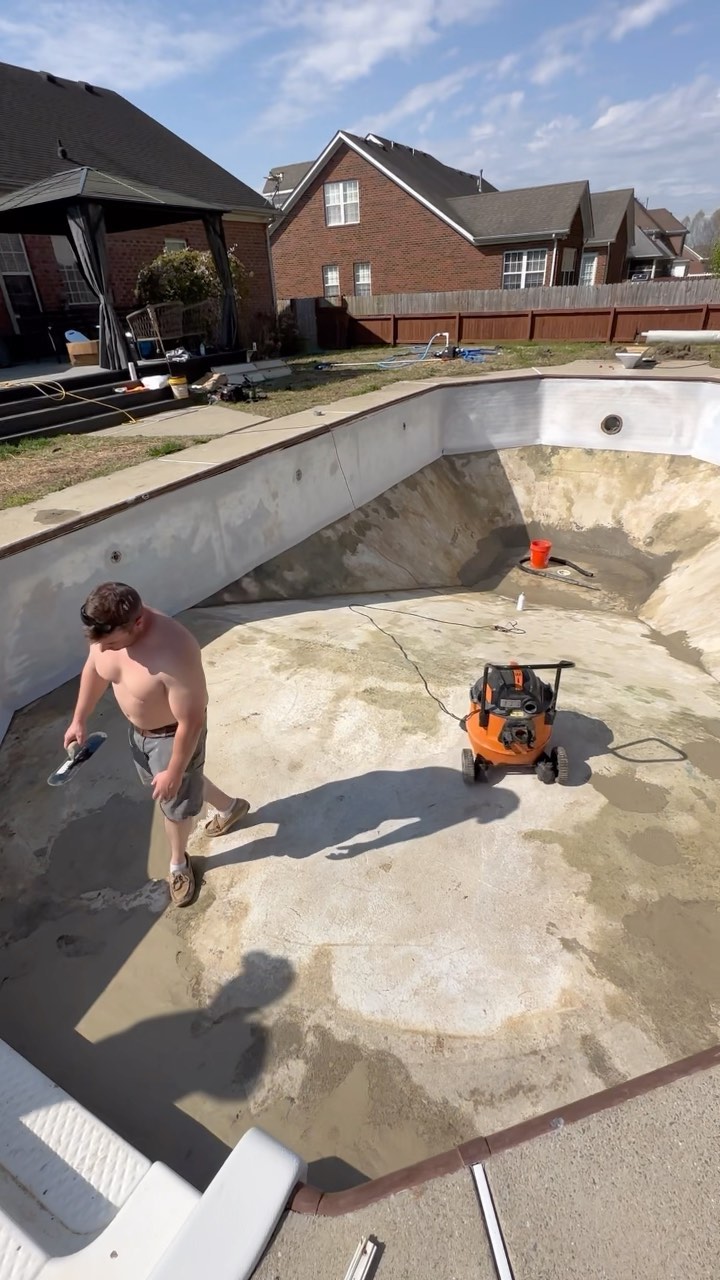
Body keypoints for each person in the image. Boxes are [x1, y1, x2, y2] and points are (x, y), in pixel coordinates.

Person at [64, 582, 249, 906]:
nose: (104, 650)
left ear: (137, 623)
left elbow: (192, 721)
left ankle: (178, 865)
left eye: (111, 644)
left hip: (172, 735)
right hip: (139, 733)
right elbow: (94, 669)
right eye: (98, 643)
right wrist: (79, 718)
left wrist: (175, 770)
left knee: (173, 804)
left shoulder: (174, 650)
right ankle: (231, 807)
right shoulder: (106, 630)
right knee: (178, 784)